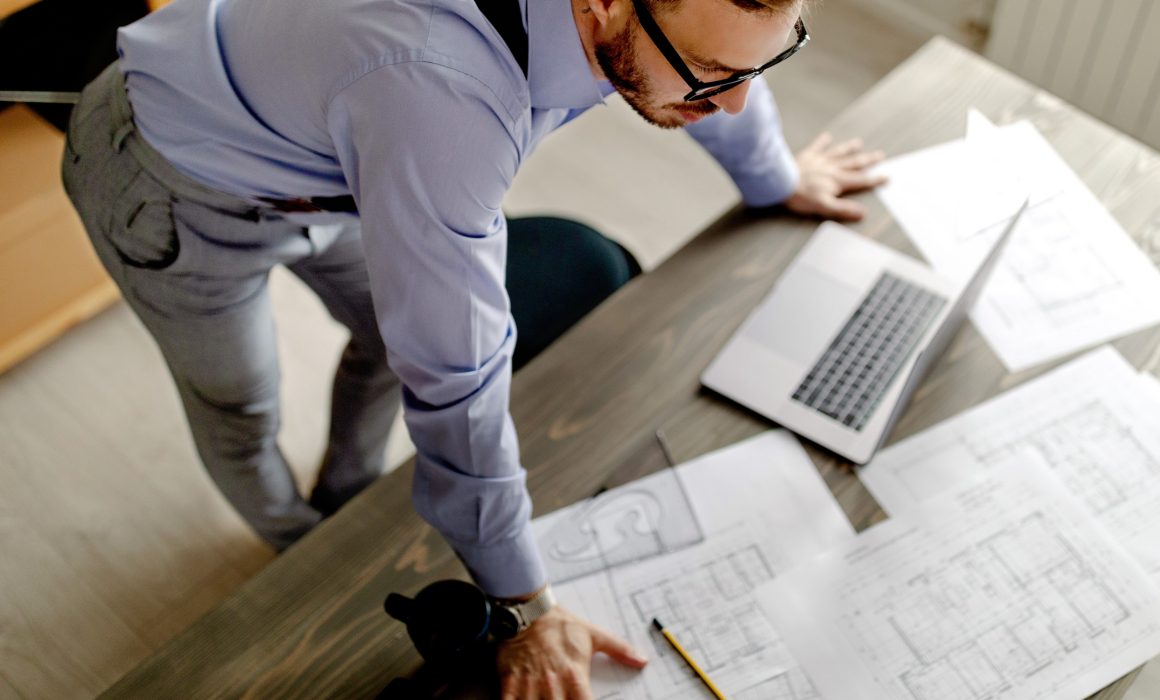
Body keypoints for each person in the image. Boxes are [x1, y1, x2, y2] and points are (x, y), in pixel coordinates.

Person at [60, 0, 885, 695]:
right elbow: (458, 378)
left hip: (323, 140)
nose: (735, 103)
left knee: (389, 334)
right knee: (241, 402)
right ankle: (293, 547)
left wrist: (774, 178)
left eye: (764, 66)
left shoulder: (642, 29)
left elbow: (718, 64)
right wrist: (526, 605)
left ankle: (347, 494)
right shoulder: (444, 99)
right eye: (710, 75)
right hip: (168, 174)